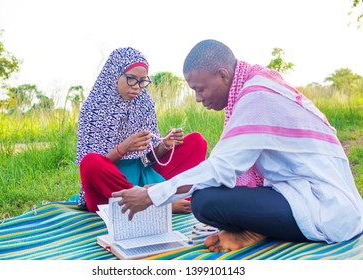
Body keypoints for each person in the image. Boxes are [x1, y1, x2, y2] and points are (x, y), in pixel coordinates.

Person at [112, 39, 363, 252]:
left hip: (323, 207)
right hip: (300, 192)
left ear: (223, 75)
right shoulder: (259, 84)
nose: (198, 99)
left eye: (200, 89)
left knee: (205, 201)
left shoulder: (257, 97)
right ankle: (258, 230)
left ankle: (258, 230)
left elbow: (221, 168)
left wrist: (150, 195)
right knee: (207, 192)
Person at [75, 47, 207, 214]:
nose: (137, 87)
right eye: (131, 79)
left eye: (142, 81)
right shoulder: (93, 109)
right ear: (114, 74)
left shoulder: (144, 103)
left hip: (145, 181)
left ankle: (158, 198)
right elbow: (90, 169)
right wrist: (122, 149)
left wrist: (164, 146)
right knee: (90, 162)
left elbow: (146, 160)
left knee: (196, 142)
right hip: (109, 193)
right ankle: (161, 205)